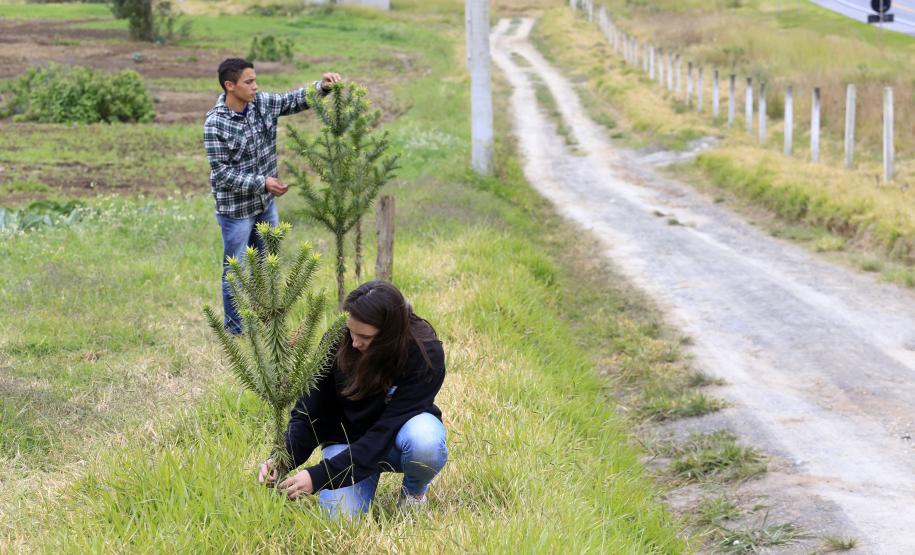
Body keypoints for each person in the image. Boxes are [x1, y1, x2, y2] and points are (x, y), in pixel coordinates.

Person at [258, 281, 448, 518]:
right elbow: (310, 409)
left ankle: (414, 493)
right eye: (351, 331)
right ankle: (358, 480)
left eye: (365, 337)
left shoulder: (424, 353)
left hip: (396, 439)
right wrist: (283, 458)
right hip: (346, 440)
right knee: (342, 520)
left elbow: (385, 431)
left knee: (426, 443)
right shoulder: (338, 339)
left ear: (390, 335)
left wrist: (320, 476)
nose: (354, 342)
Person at [204, 58, 342, 335]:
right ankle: (236, 330)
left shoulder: (262, 104)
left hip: (265, 204)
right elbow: (221, 174)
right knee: (237, 270)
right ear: (229, 86)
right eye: (248, 82)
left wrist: (322, 88)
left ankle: (266, 319)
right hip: (236, 211)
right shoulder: (215, 123)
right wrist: (262, 182)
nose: (255, 87)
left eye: (255, 80)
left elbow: (293, 100)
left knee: (268, 264)